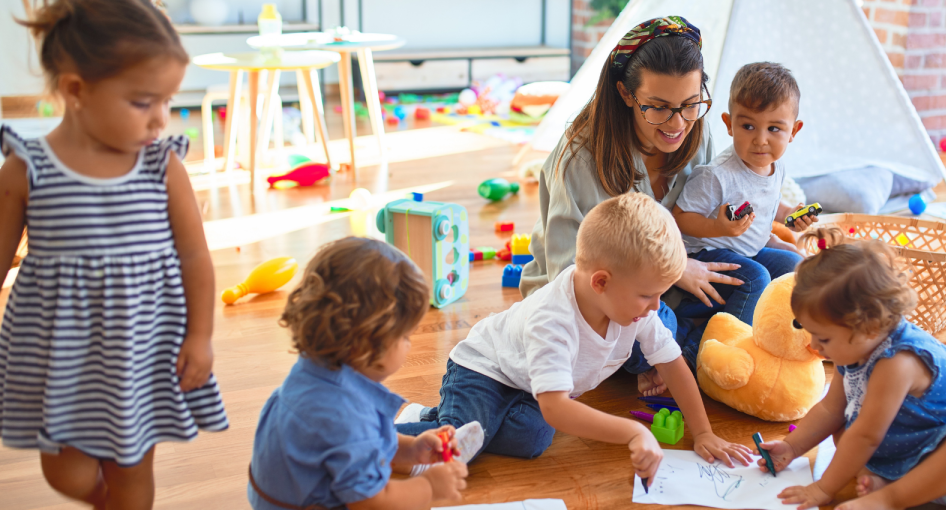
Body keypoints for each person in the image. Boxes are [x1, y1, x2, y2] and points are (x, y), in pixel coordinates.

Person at [0, 1, 228, 507]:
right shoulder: (26, 169)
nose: (160, 119)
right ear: (75, 90)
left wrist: (200, 336)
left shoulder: (162, 165)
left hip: (143, 347)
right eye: (142, 102)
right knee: (65, 475)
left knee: (132, 469)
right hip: (59, 355)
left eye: (167, 101)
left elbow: (196, 256)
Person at [397, 194, 753, 485]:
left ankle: (446, 416)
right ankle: (380, 438)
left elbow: (672, 364)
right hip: (484, 369)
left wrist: (703, 432)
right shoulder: (553, 319)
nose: (657, 306)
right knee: (459, 446)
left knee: (532, 439)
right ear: (601, 282)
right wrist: (632, 432)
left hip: (529, 383)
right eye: (648, 295)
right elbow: (555, 408)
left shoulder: (634, 306)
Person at [520, 16, 747, 397]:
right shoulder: (579, 159)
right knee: (652, 328)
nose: (678, 123)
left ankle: (681, 355)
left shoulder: (697, 128)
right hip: (603, 303)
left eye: (690, 104)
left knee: (772, 270)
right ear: (626, 94)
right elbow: (571, 275)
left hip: (668, 289)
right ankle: (686, 361)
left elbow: (709, 223)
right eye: (658, 107)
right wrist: (675, 272)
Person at [757, 227, 946, 510]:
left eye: (824, 338)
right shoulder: (855, 349)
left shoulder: (897, 361)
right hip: (912, 449)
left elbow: (868, 436)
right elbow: (829, 409)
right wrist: (792, 447)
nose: (815, 346)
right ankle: (895, 486)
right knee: (844, 427)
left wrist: (822, 488)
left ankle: (889, 498)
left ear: (866, 325)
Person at [248, 238, 469, 509]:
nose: (409, 345)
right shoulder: (344, 414)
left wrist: (411, 449)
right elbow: (371, 503)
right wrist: (429, 487)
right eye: (404, 336)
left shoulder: (311, 372)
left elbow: (352, 448)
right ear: (365, 344)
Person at [672, 62, 815, 326]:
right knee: (756, 278)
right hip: (708, 252)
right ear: (729, 123)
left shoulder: (775, 165)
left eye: (774, 129)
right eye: (748, 126)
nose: (761, 140)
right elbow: (680, 218)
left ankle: (773, 329)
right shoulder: (717, 175)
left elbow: (768, 203)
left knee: (795, 266)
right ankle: (722, 343)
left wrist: (789, 216)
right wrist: (717, 227)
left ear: (793, 131)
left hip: (749, 251)